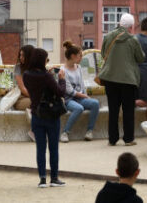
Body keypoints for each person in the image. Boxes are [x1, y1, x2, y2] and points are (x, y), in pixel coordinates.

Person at [22, 47, 66, 188]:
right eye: (46, 59)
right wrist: (61, 79)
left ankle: (42, 179)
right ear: (42, 60)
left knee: (40, 148)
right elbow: (60, 92)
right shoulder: (46, 76)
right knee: (53, 148)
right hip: (51, 115)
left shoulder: (27, 75)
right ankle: (54, 178)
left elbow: (36, 89)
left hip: (36, 114)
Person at [99, 13, 145, 147]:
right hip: (128, 80)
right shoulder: (133, 40)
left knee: (113, 110)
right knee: (128, 111)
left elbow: (103, 54)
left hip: (110, 79)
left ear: (120, 24)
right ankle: (128, 139)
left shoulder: (108, 37)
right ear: (131, 27)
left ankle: (112, 139)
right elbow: (140, 58)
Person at [60, 41, 98, 142]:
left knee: (95, 103)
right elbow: (69, 90)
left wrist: (85, 95)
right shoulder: (63, 70)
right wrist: (84, 96)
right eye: (79, 56)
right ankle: (65, 133)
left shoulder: (79, 67)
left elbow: (82, 84)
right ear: (73, 56)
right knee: (79, 108)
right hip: (68, 100)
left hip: (80, 97)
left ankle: (89, 131)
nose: (81, 58)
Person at [12, 45, 34, 139]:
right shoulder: (18, 68)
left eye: (23, 56)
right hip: (20, 98)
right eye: (20, 55)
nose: (21, 58)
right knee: (37, 103)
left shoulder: (36, 68)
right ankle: (34, 131)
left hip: (33, 97)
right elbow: (23, 89)